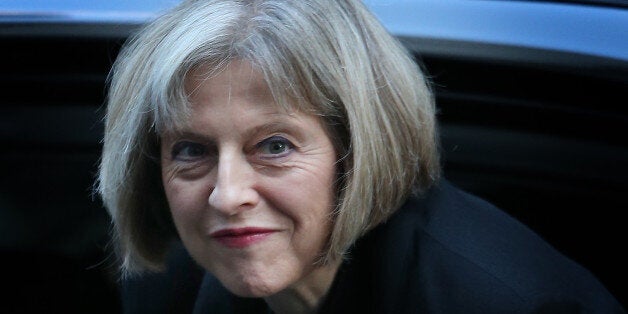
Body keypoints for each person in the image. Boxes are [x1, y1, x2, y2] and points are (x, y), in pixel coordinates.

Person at [97, 0, 625, 313]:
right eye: (191, 150)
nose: (228, 194)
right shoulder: (166, 289)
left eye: (275, 146)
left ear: (358, 151)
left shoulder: (497, 301)